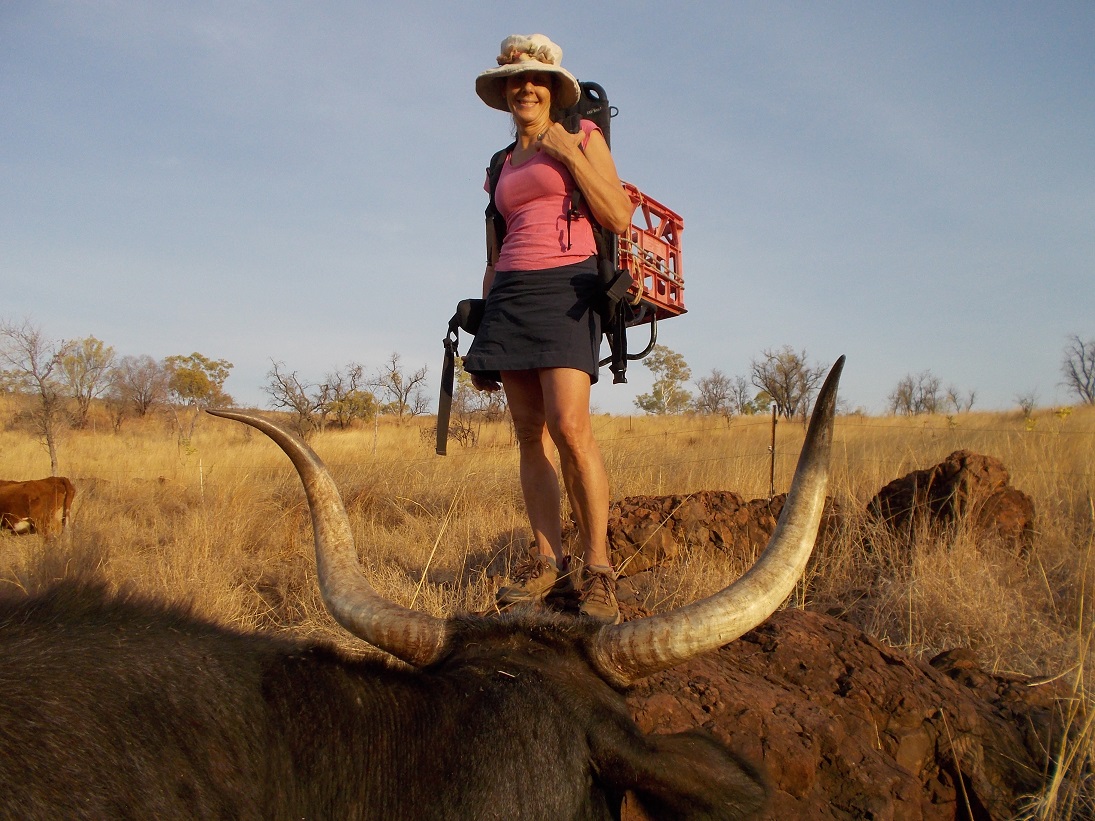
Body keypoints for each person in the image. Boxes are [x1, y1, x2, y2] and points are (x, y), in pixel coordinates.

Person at [464, 34, 634, 624]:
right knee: (528, 433)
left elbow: (617, 215)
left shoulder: (582, 137)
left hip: (569, 287)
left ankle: (599, 568)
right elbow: (495, 249)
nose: (525, 88)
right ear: (505, 92)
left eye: (535, 80)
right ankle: (547, 565)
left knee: (570, 427)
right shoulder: (499, 164)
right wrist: (485, 331)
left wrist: (568, 152)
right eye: (515, 81)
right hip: (511, 293)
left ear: (553, 90)